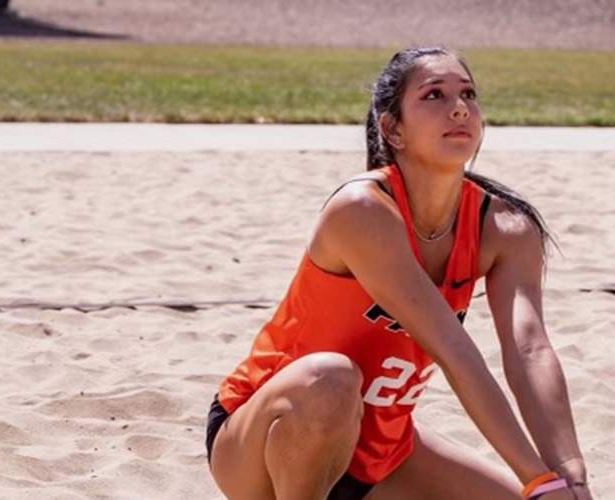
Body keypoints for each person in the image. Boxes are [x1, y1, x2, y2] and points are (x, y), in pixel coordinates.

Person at [205, 46, 591, 500]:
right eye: (434, 95)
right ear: (393, 129)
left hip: (382, 449)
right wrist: (539, 479)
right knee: (330, 379)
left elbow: (529, 349)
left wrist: (569, 476)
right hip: (264, 439)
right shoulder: (362, 210)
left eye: (468, 92)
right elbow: (453, 349)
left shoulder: (506, 227)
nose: (460, 106)